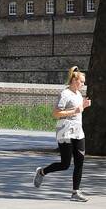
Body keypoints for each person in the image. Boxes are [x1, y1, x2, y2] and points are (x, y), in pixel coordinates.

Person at [34, 65, 91, 201]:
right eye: (81, 81)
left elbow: (78, 109)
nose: (83, 84)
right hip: (64, 131)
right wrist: (75, 111)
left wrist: (84, 105)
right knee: (65, 164)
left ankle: (75, 192)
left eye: (83, 82)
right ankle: (42, 172)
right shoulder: (64, 94)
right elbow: (56, 113)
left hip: (78, 131)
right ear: (73, 80)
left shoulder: (78, 94)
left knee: (80, 162)